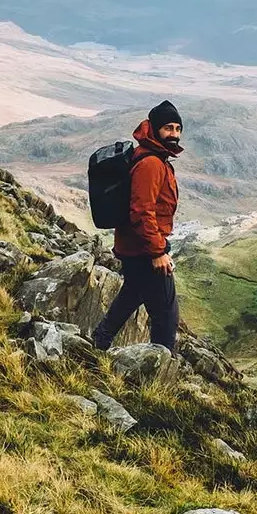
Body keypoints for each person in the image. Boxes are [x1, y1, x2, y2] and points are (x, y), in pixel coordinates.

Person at [92, 100, 182, 352]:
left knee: (132, 294)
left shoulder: (154, 158)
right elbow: (142, 211)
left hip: (135, 247)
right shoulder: (151, 164)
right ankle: (157, 373)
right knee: (166, 317)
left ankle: (100, 340)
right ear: (154, 129)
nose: (173, 134)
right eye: (168, 128)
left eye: (177, 128)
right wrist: (157, 252)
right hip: (144, 250)